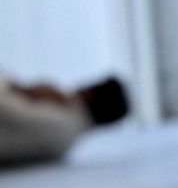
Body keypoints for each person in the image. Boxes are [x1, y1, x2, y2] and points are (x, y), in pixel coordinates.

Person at [0, 72, 129, 168]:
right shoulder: (66, 134)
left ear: (90, 93)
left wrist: (16, 87)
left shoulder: (61, 124)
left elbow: (3, 107)